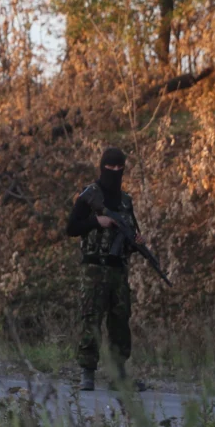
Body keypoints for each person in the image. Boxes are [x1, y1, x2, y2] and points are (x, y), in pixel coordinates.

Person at [65, 146, 147, 392]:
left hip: (118, 271)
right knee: (91, 318)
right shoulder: (90, 195)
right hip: (93, 269)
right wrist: (95, 221)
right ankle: (87, 373)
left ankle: (119, 375)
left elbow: (132, 232)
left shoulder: (125, 201)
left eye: (119, 168)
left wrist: (136, 242)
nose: (114, 171)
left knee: (120, 322)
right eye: (110, 168)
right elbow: (71, 227)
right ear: (102, 167)